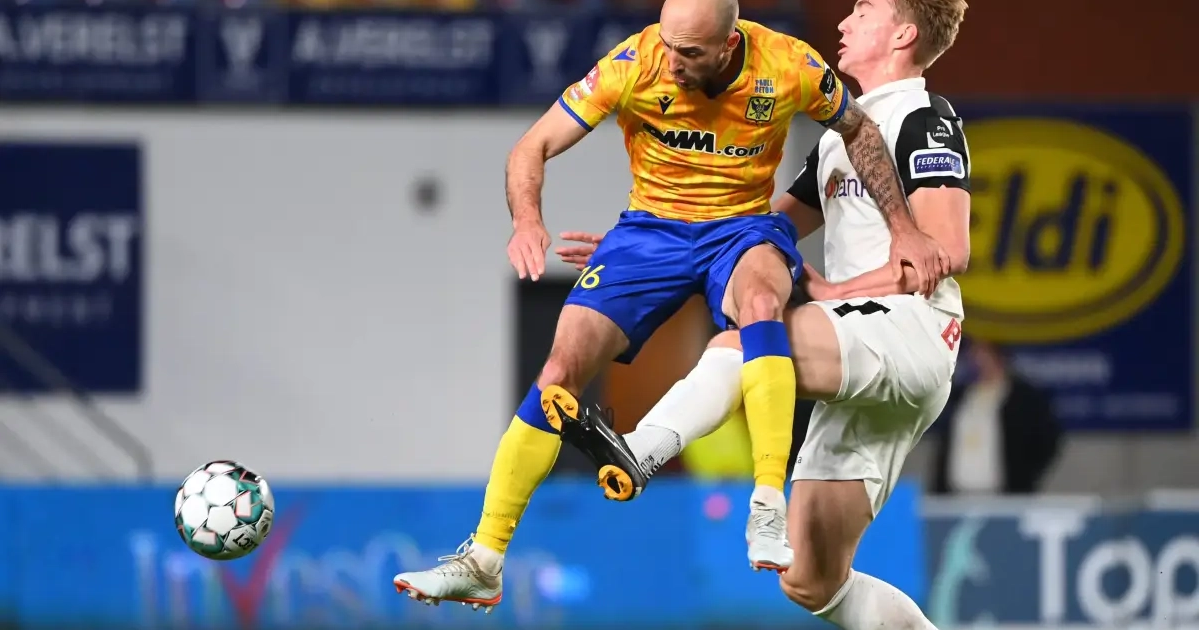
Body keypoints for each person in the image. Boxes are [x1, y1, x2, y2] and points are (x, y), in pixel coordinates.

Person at [392, 0, 947, 612]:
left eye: (689, 52)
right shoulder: (633, 63)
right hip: (649, 233)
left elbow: (858, 129)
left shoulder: (787, 63)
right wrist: (528, 220)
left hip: (740, 228)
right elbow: (532, 145)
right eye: (667, 43)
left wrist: (903, 229)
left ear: (728, 44)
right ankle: (484, 560)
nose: (672, 61)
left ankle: (766, 505)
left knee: (761, 303)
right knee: (559, 370)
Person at [557, 0, 971, 628]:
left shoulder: (922, 116)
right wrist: (648, 246)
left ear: (903, 34)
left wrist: (837, 290)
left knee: (744, 342)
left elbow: (947, 250)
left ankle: (641, 449)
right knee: (812, 581)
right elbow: (758, 230)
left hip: (909, 332)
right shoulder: (841, 136)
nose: (845, 22)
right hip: (859, 354)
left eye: (865, 11)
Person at [932, 336, 1062, 495]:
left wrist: (1025, 475)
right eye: (974, 351)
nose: (977, 358)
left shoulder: (1023, 398)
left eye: (983, 351)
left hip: (1003, 496)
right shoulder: (961, 396)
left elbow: (1047, 440)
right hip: (955, 495)